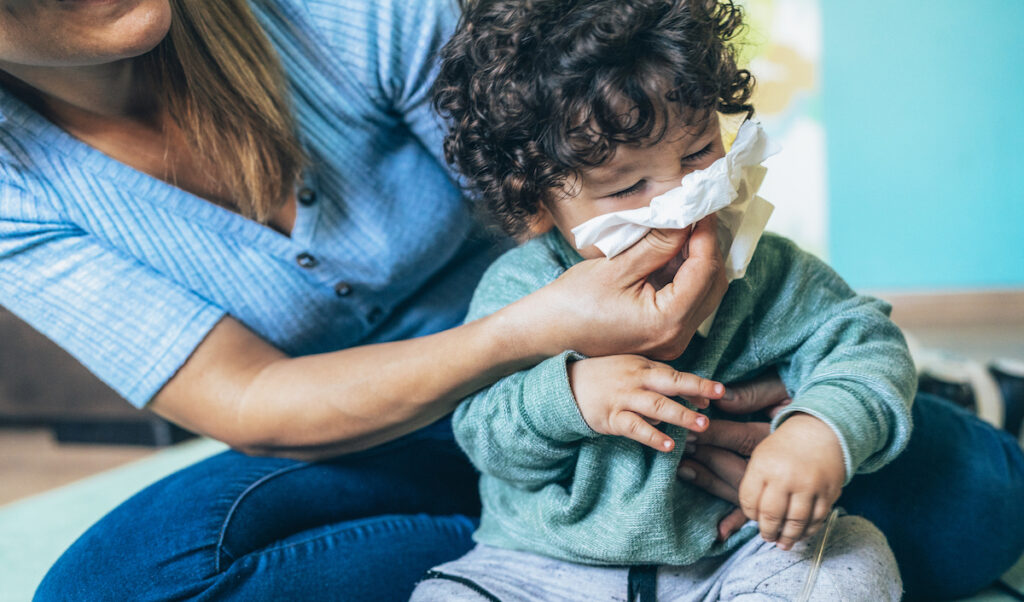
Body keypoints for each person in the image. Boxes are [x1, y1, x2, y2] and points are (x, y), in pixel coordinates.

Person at [0, 1, 1016, 601]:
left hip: (667, 388)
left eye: (698, 160)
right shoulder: (18, 183)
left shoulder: (338, 20)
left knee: (974, 494)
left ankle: (905, 406)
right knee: (112, 589)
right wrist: (541, 364)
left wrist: (811, 428)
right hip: (405, 429)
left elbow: (579, 155)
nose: (673, 193)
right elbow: (252, 398)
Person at [412, 0, 910, 599]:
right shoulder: (522, 287)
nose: (684, 201)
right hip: (538, 568)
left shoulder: (765, 268)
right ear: (539, 200)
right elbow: (485, 435)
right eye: (627, 187)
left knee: (851, 565)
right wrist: (569, 396)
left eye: (699, 153)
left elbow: (865, 342)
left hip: (735, 552)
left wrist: (817, 432)